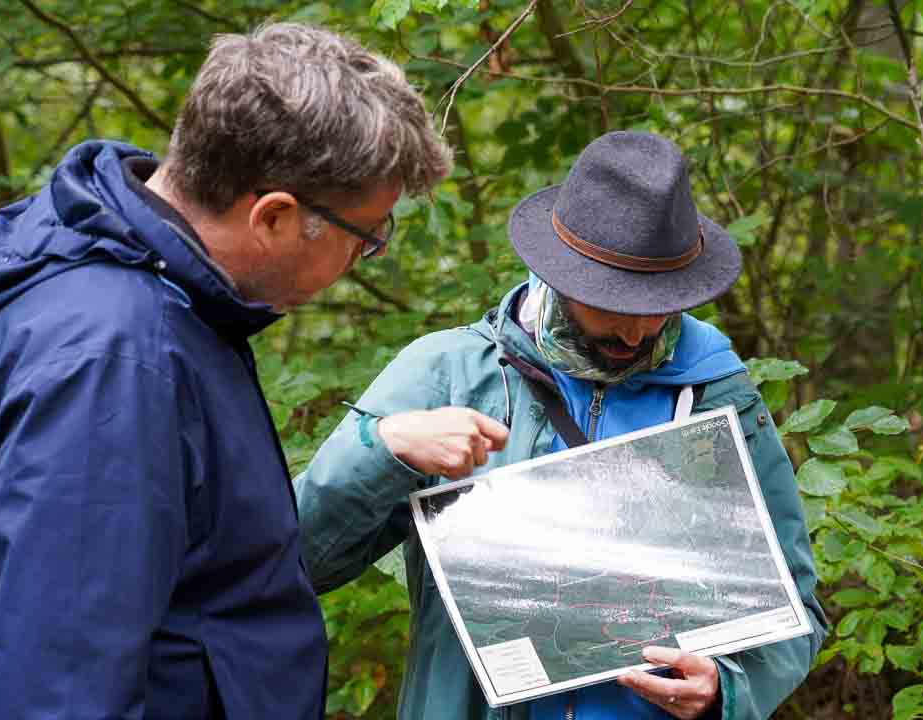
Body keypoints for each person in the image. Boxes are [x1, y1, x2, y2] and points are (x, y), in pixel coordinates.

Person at [0, 22, 494, 719]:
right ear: (276, 216)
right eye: (366, 237)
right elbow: (62, 687)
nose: (366, 259)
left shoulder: (162, 298)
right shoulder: (114, 358)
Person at [296, 131, 828, 720]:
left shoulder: (715, 391)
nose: (637, 332)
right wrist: (384, 450)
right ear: (563, 274)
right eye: (616, 305)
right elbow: (298, 561)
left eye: (659, 306)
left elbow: (796, 608)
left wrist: (725, 690)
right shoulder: (448, 375)